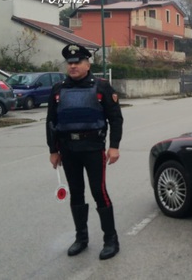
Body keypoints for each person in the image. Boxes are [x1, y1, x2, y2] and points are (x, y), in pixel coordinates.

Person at [46, 43, 124, 260]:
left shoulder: (101, 87)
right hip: (68, 149)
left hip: (93, 149)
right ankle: (81, 238)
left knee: (99, 193)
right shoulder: (58, 89)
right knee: (76, 193)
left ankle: (111, 239)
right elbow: (51, 121)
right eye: (69, 63)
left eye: (77, 62)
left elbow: (115, 119)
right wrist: (53, 150)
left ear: (87, 64)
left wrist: (114, 146)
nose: (73, 66)